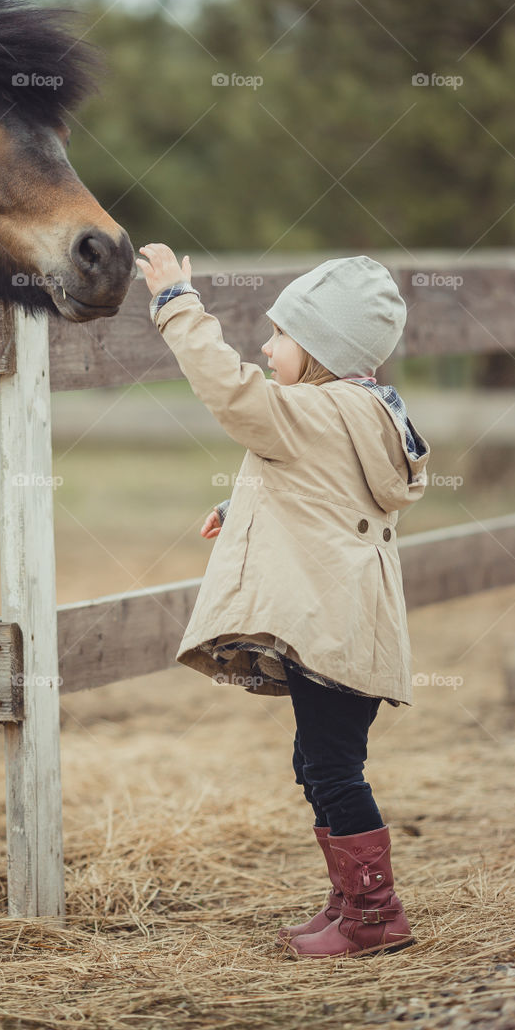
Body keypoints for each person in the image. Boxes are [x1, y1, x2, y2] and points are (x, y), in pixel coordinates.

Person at [135, 245, 430, 960]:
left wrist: (176, 301)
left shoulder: (307, 413)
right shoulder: (362, 412)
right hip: (347, 631)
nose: (265, 348)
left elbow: (228, 390)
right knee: (317, 763)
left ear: (323, 348)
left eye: (280, 336)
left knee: (331, 769)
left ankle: (374, 915)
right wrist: (240, 506)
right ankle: (348, 900)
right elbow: (322, 496)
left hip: (326, 635)